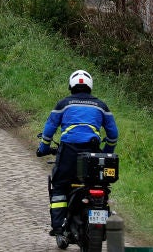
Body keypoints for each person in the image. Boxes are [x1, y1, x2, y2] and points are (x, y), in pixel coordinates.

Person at [37, 70, 119, 238]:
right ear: (90, 86)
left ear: (71, 86)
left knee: (59, 184)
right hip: (93, 154)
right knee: (98, 185)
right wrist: (106, 153)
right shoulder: (101, 106)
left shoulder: (63, 104)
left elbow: (49, 129)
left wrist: (43, 148)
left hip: (68, 152)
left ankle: (59, 227)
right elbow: (113, 135)